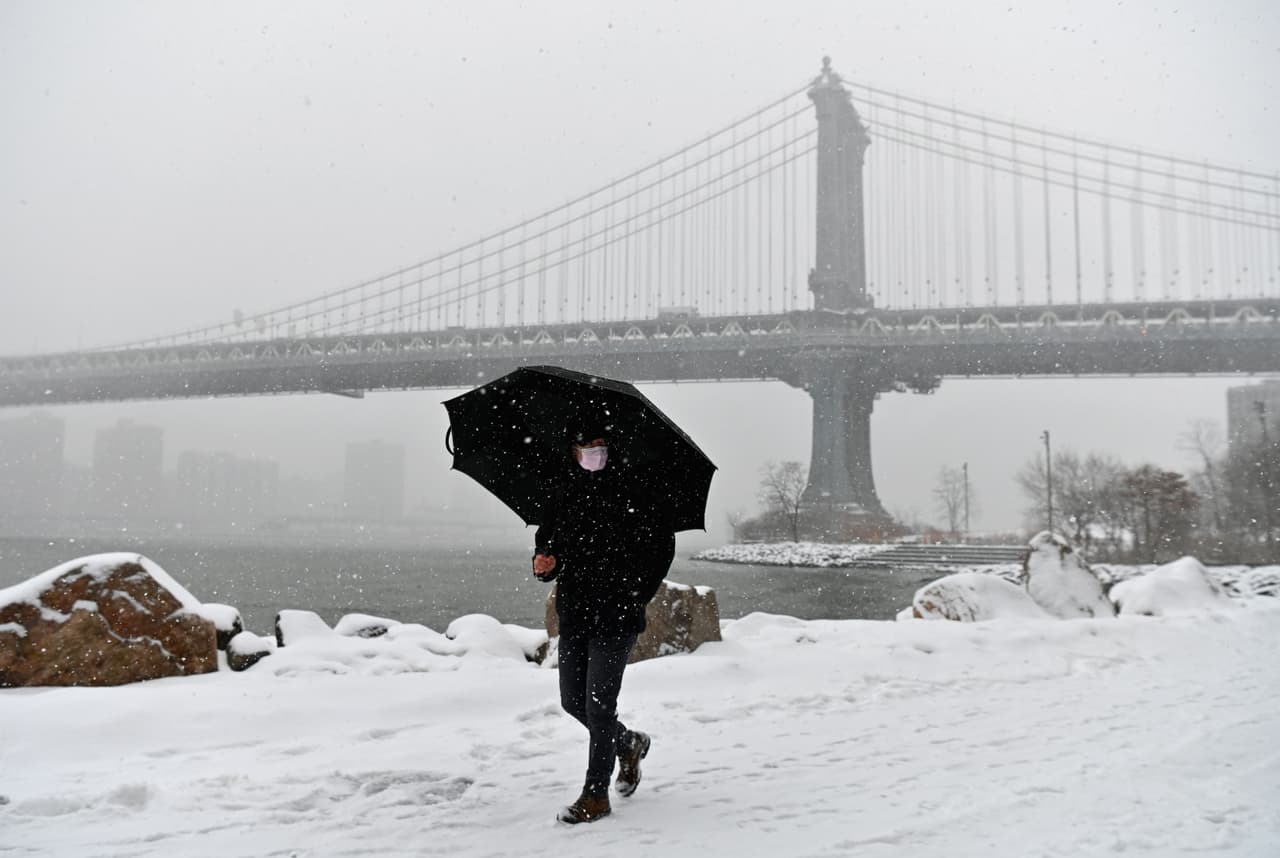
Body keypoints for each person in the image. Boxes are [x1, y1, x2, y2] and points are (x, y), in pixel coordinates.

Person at [532, 421, 676, 825]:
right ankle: (628, 742)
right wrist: (544, 563)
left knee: (599, 707)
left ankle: (596, 795)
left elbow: (661, 547)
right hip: (576, 613)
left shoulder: (637, 489)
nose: (594, 452)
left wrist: (635, 593)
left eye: (600, 445)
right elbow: (549, 543)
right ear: (574, 451)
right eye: (585, 446)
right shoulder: (564, 490)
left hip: (618, 615)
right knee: (572, 701)